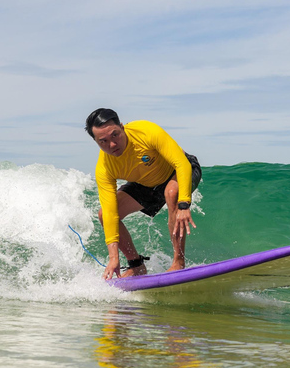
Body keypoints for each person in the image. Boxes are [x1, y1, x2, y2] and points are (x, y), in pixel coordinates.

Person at [85, 108, 202, 280]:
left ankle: (178, 262)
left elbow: (181, 164)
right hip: (146, 184)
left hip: (183, 169)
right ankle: (136, 266)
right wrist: (113, 258)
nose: (111, 144)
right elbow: (110, 212)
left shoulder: (146, 131)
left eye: (115, 135)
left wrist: (184, 203)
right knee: (104, 214)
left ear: (122, 127)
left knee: (171, 193)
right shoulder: (104, 168)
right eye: (103, 141)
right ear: (96, 142)